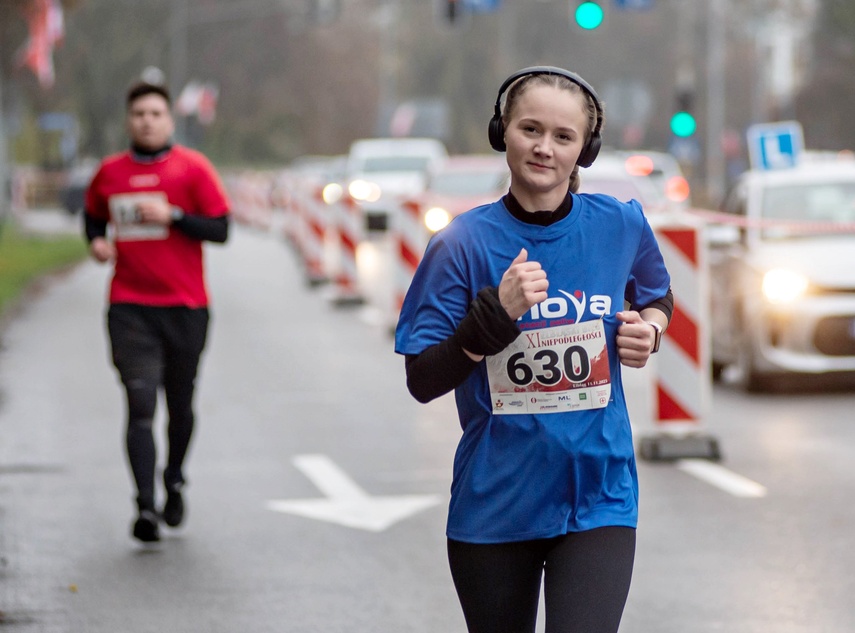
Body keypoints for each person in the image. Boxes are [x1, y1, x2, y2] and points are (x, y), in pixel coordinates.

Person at [395, 66, 673, 633]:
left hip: (599, 495)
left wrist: (651, 328)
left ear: (584, 150)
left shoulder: (620, 224)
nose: (544, 148)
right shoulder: (461, 244)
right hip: (496, 503)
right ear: (503, 134)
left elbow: (658, 293)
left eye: (564, 137)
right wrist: (494, 316)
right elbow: (422, 378)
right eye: (530, 129)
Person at [84, 81, 230, 543]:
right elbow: (92, 215)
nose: (147, 121)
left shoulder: (192, 169)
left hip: (186, 308)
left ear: (169, 120)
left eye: (155, 113)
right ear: (129, 120)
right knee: (141, 404)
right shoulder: (109, 172)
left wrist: (174, 217)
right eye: (139, 114)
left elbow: (222, 228)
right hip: (130, 307)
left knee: (180, 405)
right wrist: (96, 242)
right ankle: (144, 506)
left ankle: (174, 478)